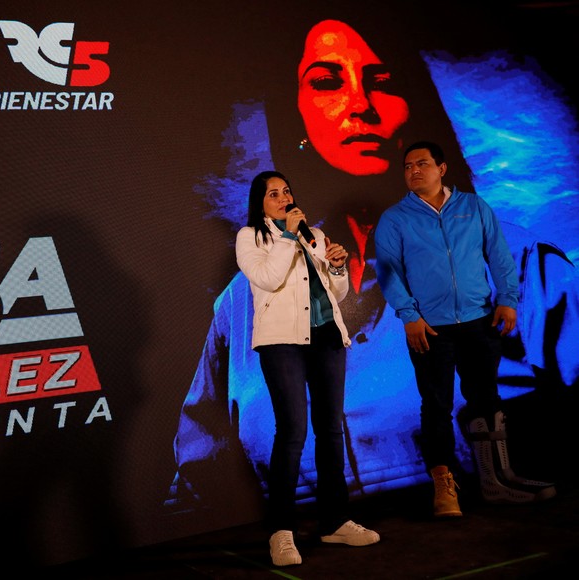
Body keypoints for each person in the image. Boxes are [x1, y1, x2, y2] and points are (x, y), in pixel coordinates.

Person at [165, 10, 578, 519]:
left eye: (382, 82)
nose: (361, 105)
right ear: (295, 116)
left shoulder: (516, 263)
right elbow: (195, 493)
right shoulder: (243, 299)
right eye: (327, 81)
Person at [374, 141, 556, 517]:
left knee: (486, 400)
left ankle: (498, 480)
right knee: (436, 406)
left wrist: (507, 298)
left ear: (442, 168)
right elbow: (389, 272)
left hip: (479, 321)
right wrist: (409, 316)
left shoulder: (473, 207)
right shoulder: (396, 219)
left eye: (422, 164)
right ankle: (445, 490)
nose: (413, 171)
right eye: (407, 167)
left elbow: (499, 256)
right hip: (429, 329)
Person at [236, 169, 379, 566]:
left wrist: (335, 265)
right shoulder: (252, 237)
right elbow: (267, 278)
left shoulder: (312, 233)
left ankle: (335, 522)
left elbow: (338, 292)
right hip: (282, 344)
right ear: (260, 204)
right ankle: (281, 532)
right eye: (273, 194)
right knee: (292, 431)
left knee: (331, 429)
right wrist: (288, 236)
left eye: (287, 190)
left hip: (327, 339)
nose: (283, 198)